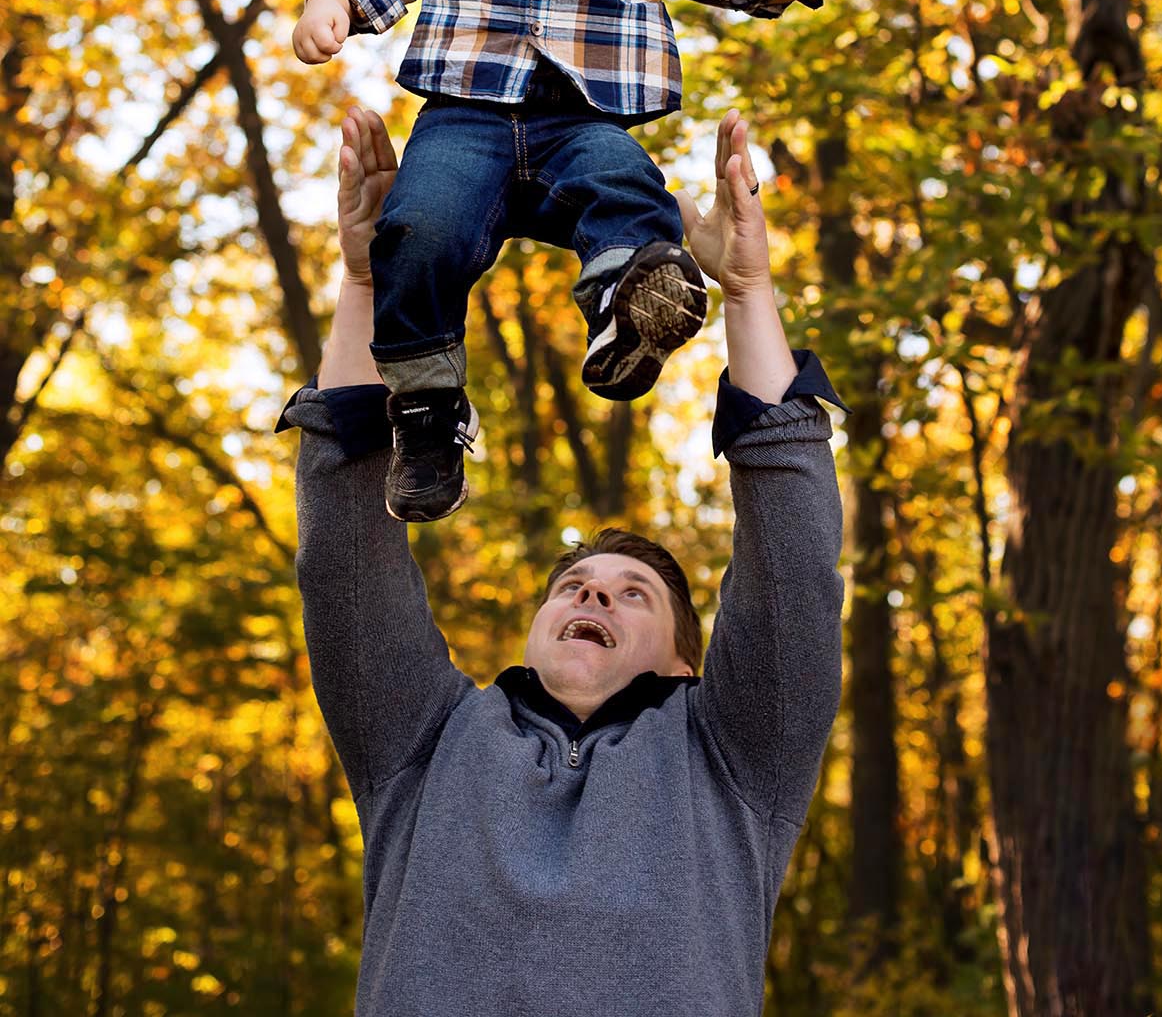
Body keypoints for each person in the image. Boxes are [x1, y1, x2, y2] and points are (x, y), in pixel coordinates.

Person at [277, 104, 846, 1017]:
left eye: (633, 596)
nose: (594, 594)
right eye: (576, 586)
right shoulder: (422, 742)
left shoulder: (735, 759)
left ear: (683, 663)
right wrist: (363, 281)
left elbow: (795, 558)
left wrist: (747, 294)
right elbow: (343, 546)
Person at [292, 0, 857, 522]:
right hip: (466, 112)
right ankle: (425, 407)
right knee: (415, 235)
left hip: (585, 112)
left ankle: (629, 306)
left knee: (629, 191)